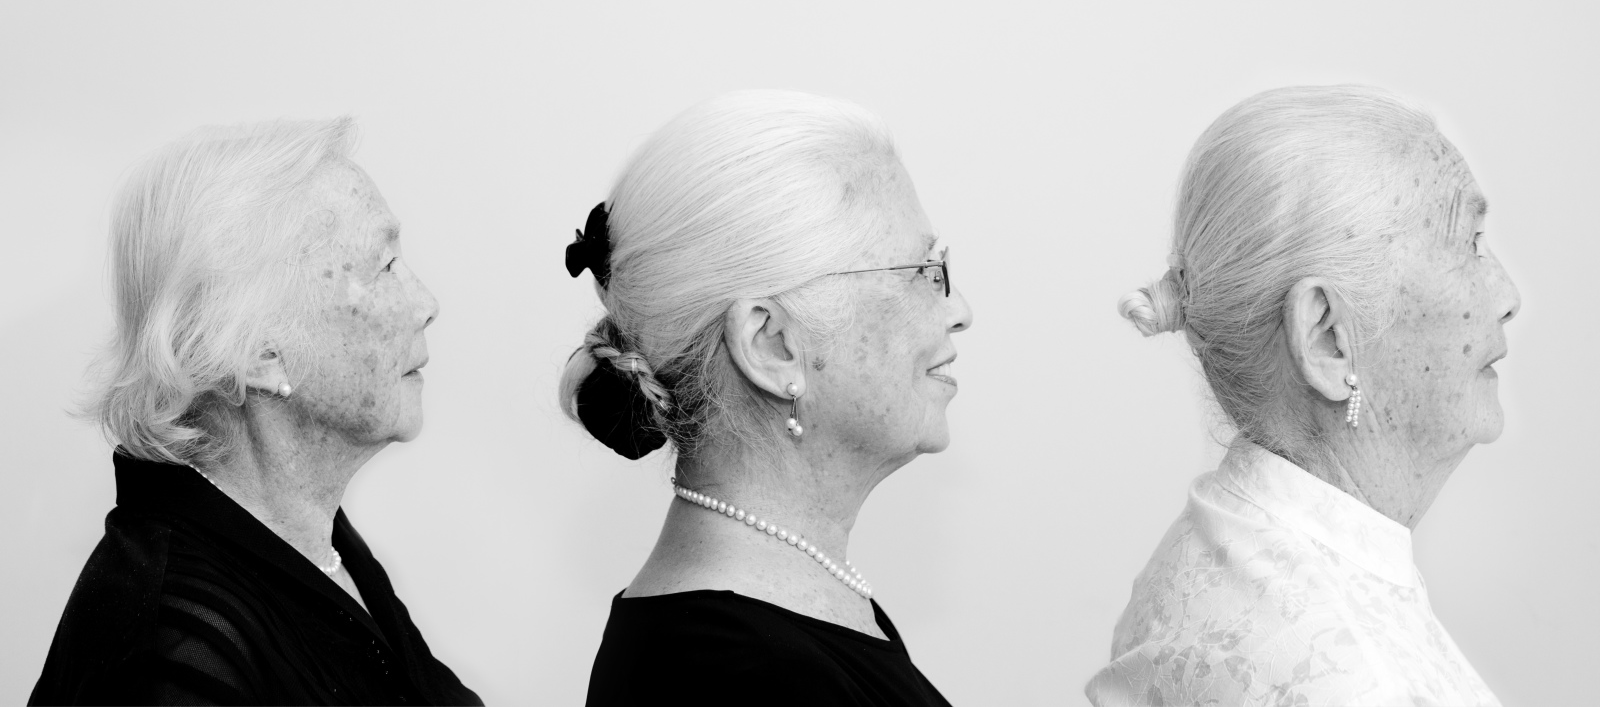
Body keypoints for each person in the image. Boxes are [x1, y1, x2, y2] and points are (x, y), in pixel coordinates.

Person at [1086, 85, 1521, 707]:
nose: (1508, 296)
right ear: (1328, 339)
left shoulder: (1208, 545)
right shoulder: (1360, 686)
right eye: (1469, 244)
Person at [31, 118, 480, 706]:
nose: (426, 303)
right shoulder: (174, 655)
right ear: (258, 355)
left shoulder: (308, 542)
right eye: (385, 266)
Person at [561, 91, 971, 707]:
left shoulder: (790, 612)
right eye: (921, 272)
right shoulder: (737, 679)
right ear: (771, 344)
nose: (959, 311)